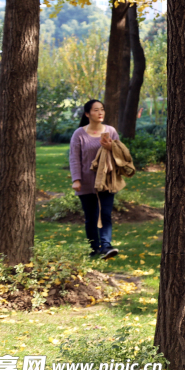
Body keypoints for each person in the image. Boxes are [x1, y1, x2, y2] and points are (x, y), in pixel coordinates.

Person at [69, 99, 120, 259]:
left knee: (105, 214)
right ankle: (94, 248)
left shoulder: (110, 131)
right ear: (87, 114)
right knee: (91, 217)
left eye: (102, 109)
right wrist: (76, 179)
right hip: (85, 182)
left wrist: (112, 147)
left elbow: (120, 153)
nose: (100, 113)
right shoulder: (79, 134)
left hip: (106, 181)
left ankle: (106, 247)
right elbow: (74, 158)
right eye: (96, 110)